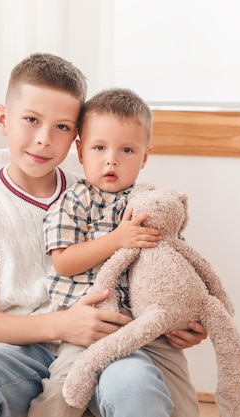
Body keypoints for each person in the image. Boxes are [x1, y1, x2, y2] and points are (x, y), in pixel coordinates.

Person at [0, 53, 207, 417]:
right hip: (22, 351)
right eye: (30, 120)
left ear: (77, 137)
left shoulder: (102, 192)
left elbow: (160, 267)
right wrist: (63, 324)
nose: (43, 140)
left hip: (109, 342)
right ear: (3, 119)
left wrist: (185, 320)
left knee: (135, 386)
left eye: (61, 127)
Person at [28, 88, 201, 417]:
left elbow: (176, 265)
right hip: (89, 323)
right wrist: (117, 239)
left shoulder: (152, 203)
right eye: (99, 148)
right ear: (81, 152)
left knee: (182, 399)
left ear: (144, 157)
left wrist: (190, 315)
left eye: (126, 150)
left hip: (148, 323)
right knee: (63, 392)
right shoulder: (74, 200)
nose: (112, 159)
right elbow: (64, 263)